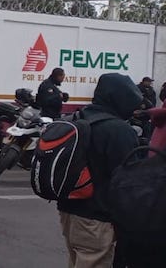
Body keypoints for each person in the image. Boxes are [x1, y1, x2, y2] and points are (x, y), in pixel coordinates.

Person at [56, 72, 141, 267]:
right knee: (93, 261)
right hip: (96, 217)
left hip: (68, 210)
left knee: (77, 260)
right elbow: (129, 180)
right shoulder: (118, 130)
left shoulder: (77, 118)